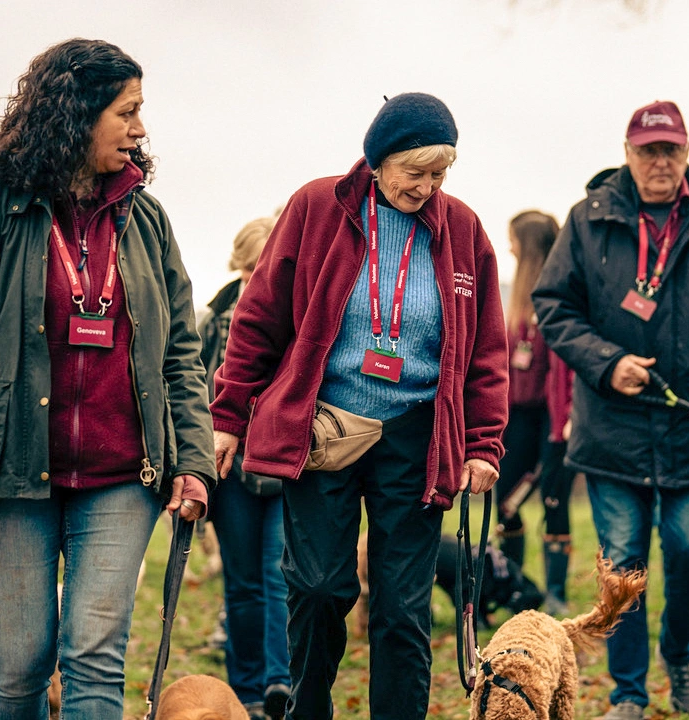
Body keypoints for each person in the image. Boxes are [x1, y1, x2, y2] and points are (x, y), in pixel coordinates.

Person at [0, 38, 216, 718]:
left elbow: (180, 356)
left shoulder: (148, 218)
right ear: (77, 112)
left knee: (95, 658)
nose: (140, 129)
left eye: (140, 113)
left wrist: (191, 460)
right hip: (11, 471)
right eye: (127, 112)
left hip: (121, 477)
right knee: (19, 665)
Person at [209, 92, 508, 720]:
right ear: (378, 159)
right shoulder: (316, 207)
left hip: (417, 435)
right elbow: (259, 317)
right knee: (318, 589)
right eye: (414, 171)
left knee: (402, 608)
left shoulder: (464, 230)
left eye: (439, 175)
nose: (426, 187)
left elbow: (486, 347)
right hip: (326, 426)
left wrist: (483, 443)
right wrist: (229, 415)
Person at [532, 99, 689, 719]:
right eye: (648, 150)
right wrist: (608, 363)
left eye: (670, 149)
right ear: (628, 153)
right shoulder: (586, 220)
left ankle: (680, 653)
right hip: (611, 430)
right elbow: (553, 308)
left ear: (687, 152)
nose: (659, 161)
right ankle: (629, 694)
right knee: (624, 563)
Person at [198, 216, 291, 720]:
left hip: (284, 466)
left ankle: (280, 680)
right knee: (243, 581)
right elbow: (196, 392)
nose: (262, 276)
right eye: (255, 265)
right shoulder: (212, 318)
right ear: (241, 263)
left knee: (280, 576)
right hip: (231, 470)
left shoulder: (298, 312)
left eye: (269, 266)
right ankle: (247, 687)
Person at [493, 209, 577, 615]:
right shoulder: (514, 300)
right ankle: (515, 588)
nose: (507, 245)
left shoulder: (559, 293)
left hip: (553, 419)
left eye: (512, 239)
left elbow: (561, 371)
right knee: (504, 500)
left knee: (554, 502)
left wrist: (564, 423)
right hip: (517, 418)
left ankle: (556, 594)